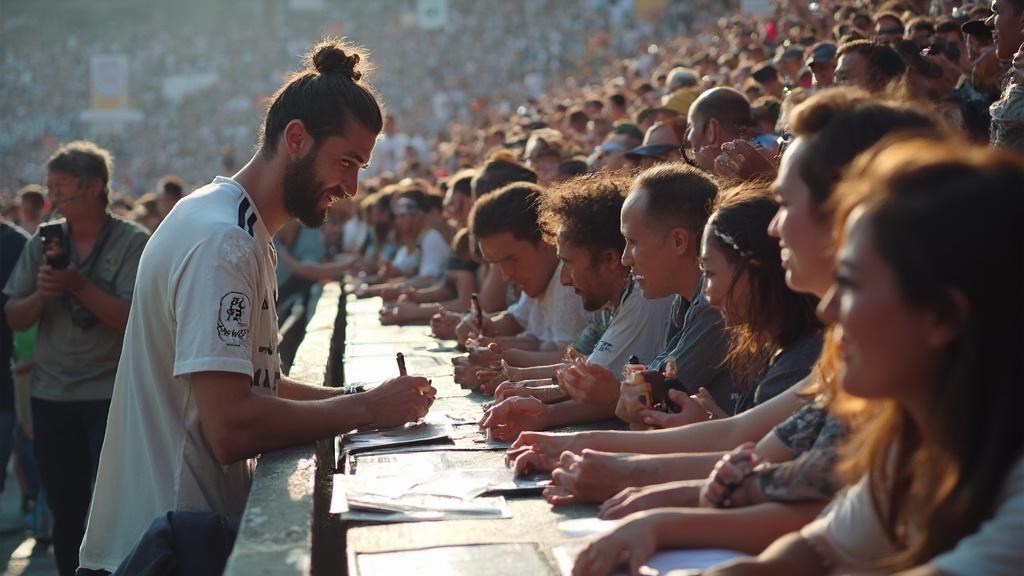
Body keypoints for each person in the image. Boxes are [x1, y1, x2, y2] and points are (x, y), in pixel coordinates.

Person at [78, 40, 435, 574]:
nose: (352, 187)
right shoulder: (223, 240)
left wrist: (361, 397)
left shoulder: (233, 223)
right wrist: (366, 411)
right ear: (296, 138)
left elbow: (257, 382)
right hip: (162, 549)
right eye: (346, 162)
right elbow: (232, 426)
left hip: (176, 536)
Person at [708, 139, 1024, 576]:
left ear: (941, 315)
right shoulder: (914, 438)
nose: (828, 310)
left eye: (852, 283)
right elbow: (817, 550)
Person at [3, 141, 150, 576]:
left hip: (110, 394)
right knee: (66, 510)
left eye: (62, 187)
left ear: (95, 187)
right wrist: (44, 293)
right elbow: (14, 317)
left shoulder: (130, 242)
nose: (54, 198)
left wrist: (76, 285)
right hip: (53, 396)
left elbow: (132, 318)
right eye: (50, 188)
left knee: (118, 509)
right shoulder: (44, 241)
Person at [478, 173, 674, 433]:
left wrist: (538, 406)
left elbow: (592, 387)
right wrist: (517, 379)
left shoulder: (643, 299)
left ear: (609, 260)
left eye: (568, 263)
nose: (564, 279)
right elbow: (580, 374)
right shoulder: (615, 299)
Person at [452, 182, 590, 374]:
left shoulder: (567, 281)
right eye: (497, 263)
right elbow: (518, 319)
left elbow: (565, 357)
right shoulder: (539, 274)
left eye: (511, 260)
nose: (506, 274)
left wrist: (500, 361)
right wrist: (483, 326)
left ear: (548, 239)